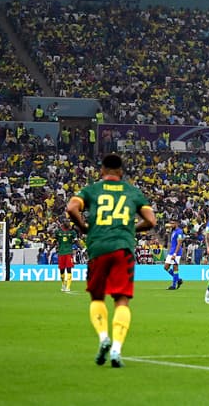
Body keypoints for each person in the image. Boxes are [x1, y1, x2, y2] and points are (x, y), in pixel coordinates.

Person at [65, 153, 157, 368]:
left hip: (98, 247)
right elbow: (151, 221)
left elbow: (71, 208)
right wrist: (130, 228)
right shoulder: (133, 192)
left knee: (97, 297)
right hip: (123, 247)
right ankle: (116, 349)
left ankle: (103, 336)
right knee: (122, 300)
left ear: (102, 171)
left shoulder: (92, 190)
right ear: (121, 171)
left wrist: (83, 227)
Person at [56, 224, 80, 293]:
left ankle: (68, 287)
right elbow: (56, 241)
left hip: (68, 253)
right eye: (66, 222)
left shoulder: (72, 232)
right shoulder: (58, 232)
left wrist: (81, 248)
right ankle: (63, 284)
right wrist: (49, 250)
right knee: (62, 270)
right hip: (61, 253)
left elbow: (76, 241)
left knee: (69, 269)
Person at [163, 220, 185, 291]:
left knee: (175, 267)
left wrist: (175, 253)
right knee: (166, 267)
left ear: (176, 224)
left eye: (172, 223)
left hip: (176, 252)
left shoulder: (179, 231)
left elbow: (179, 243)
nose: (171, 225)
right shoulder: (173, 231)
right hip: (171, 251)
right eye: (170, 223)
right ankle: (178, 279)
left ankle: (174, 285)